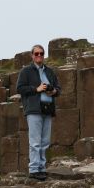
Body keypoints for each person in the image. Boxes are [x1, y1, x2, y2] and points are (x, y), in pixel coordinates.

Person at [16, 44, 61, 180]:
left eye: (41, 53)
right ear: (32, 56)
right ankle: (34, 169)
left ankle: (42, 168)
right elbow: (20, 88)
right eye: (36, 54)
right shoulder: (26, 71)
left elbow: (58, 89)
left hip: (48, 109)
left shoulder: (50, 71)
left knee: (45, 141)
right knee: (35, 141)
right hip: (34, 109)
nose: (39, 56)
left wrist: (53, 91)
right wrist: (36, 89)